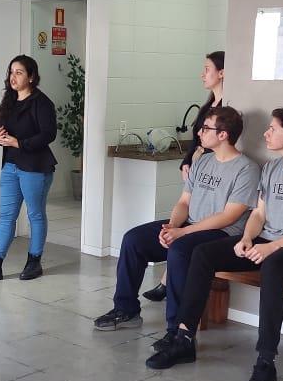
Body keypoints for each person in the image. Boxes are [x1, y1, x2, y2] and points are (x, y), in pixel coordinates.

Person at [150, 107, 283, 381]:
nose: (266, 133)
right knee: (202, 253)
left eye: (272, 128)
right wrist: (247, 237)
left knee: (273, 267)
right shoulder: (272, 168)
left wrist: (272, 246)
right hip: (264, 240)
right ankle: (184, 337)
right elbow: (259, 214)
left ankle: (265, 362)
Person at [93, 106, 259, 337]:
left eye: (205, 128)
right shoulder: (202, 161)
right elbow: (184, 201)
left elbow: (229, 216)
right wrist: (172, 226)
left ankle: (175, 329)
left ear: (223, 135)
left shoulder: (247, 169)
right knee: (133, 240)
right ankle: (126, 309)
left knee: (179, 250)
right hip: (189, 225)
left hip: (221, 233)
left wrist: (183, 233)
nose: (199, 133)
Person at [142, 51, 228, 303]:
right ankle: (166, 281)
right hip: (197, 170)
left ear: (222, 73)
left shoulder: (227, 108)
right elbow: (197, 142)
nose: (202, 74)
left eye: (207, 69)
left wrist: (199, 157)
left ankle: (168, 283)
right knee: (182, 216)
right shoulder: (209, 104)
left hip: (213, 174)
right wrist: (187, 161)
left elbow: (215, 146)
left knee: (193, 225)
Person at [0, 55, 58, 282]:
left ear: (32, 76)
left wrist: (20, 143)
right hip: (10, 166)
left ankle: (34, 261)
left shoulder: (42, 103)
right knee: (6, 215)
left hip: (35, 167)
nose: (13, 77)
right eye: (11, 72)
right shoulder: (9, 101)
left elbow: (49, 134)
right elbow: (2, 132)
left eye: (18, 72)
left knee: (35, 214)